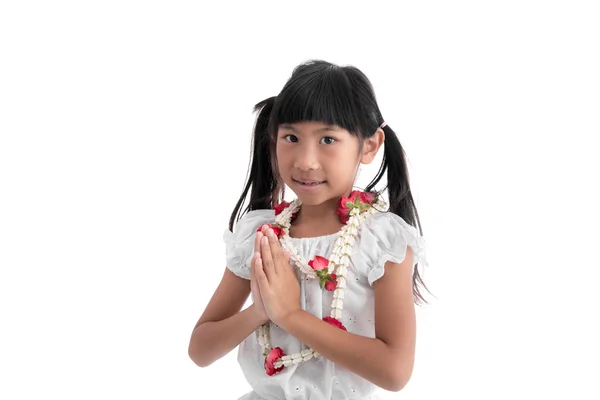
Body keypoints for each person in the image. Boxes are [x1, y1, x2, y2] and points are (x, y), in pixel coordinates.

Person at [188, 59, 430, 400]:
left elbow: (395, 371)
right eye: (291, 137)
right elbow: (201, 349)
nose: (305, 161)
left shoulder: (381, 241)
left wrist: (289, 315)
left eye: (328, 139)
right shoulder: (264, 235)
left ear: (370, 145)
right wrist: (261, 310)